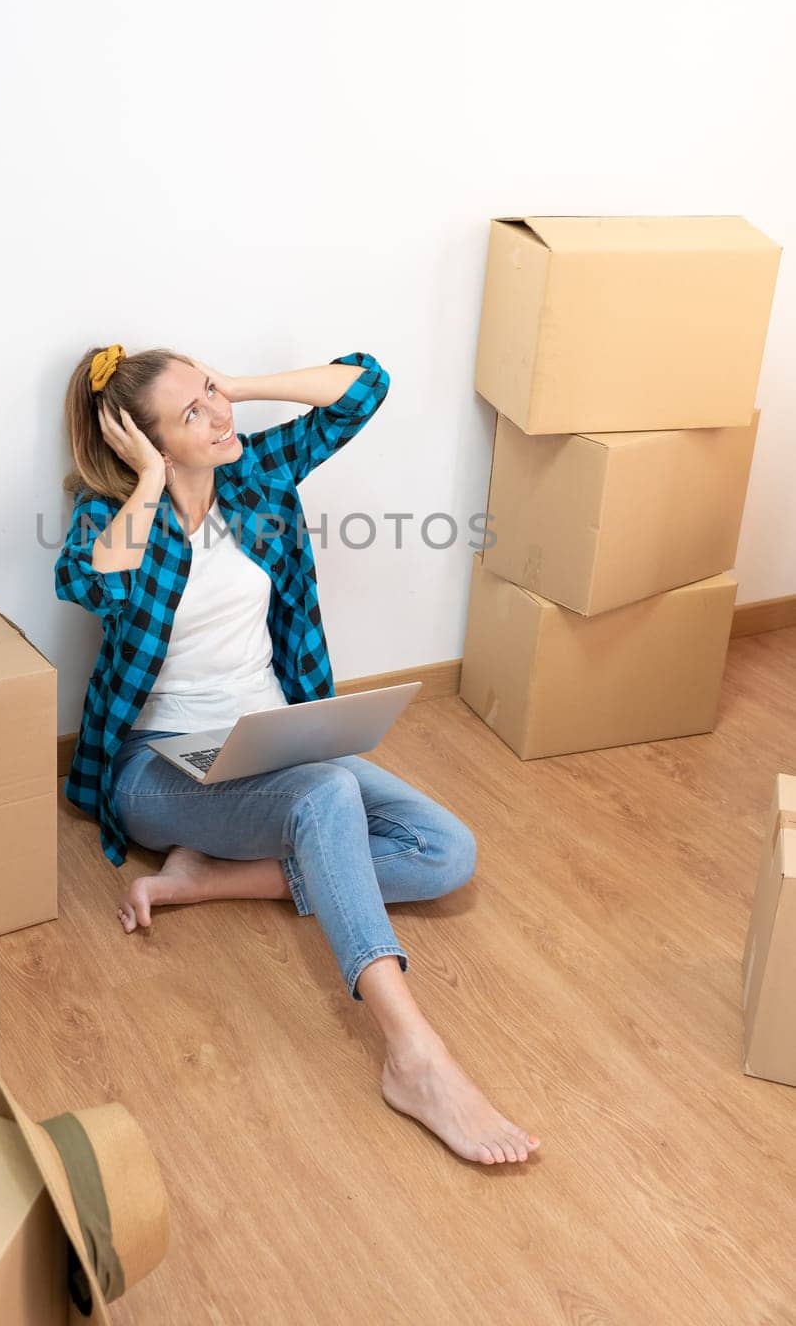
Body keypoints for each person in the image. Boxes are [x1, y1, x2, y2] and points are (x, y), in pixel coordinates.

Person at [55, 342, 541, 1167]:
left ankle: (208, 879)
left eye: (212, 393)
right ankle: (414, 1054)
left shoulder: (253, 480)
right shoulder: (111, 521)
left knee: (445, 851)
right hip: (161, 768)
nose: (218, 417)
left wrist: (232, 385)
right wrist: (142, 481)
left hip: (273, 739)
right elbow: (91, 583)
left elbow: (364, 388)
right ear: (144, 444)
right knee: (324, 797)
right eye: (191, 415)